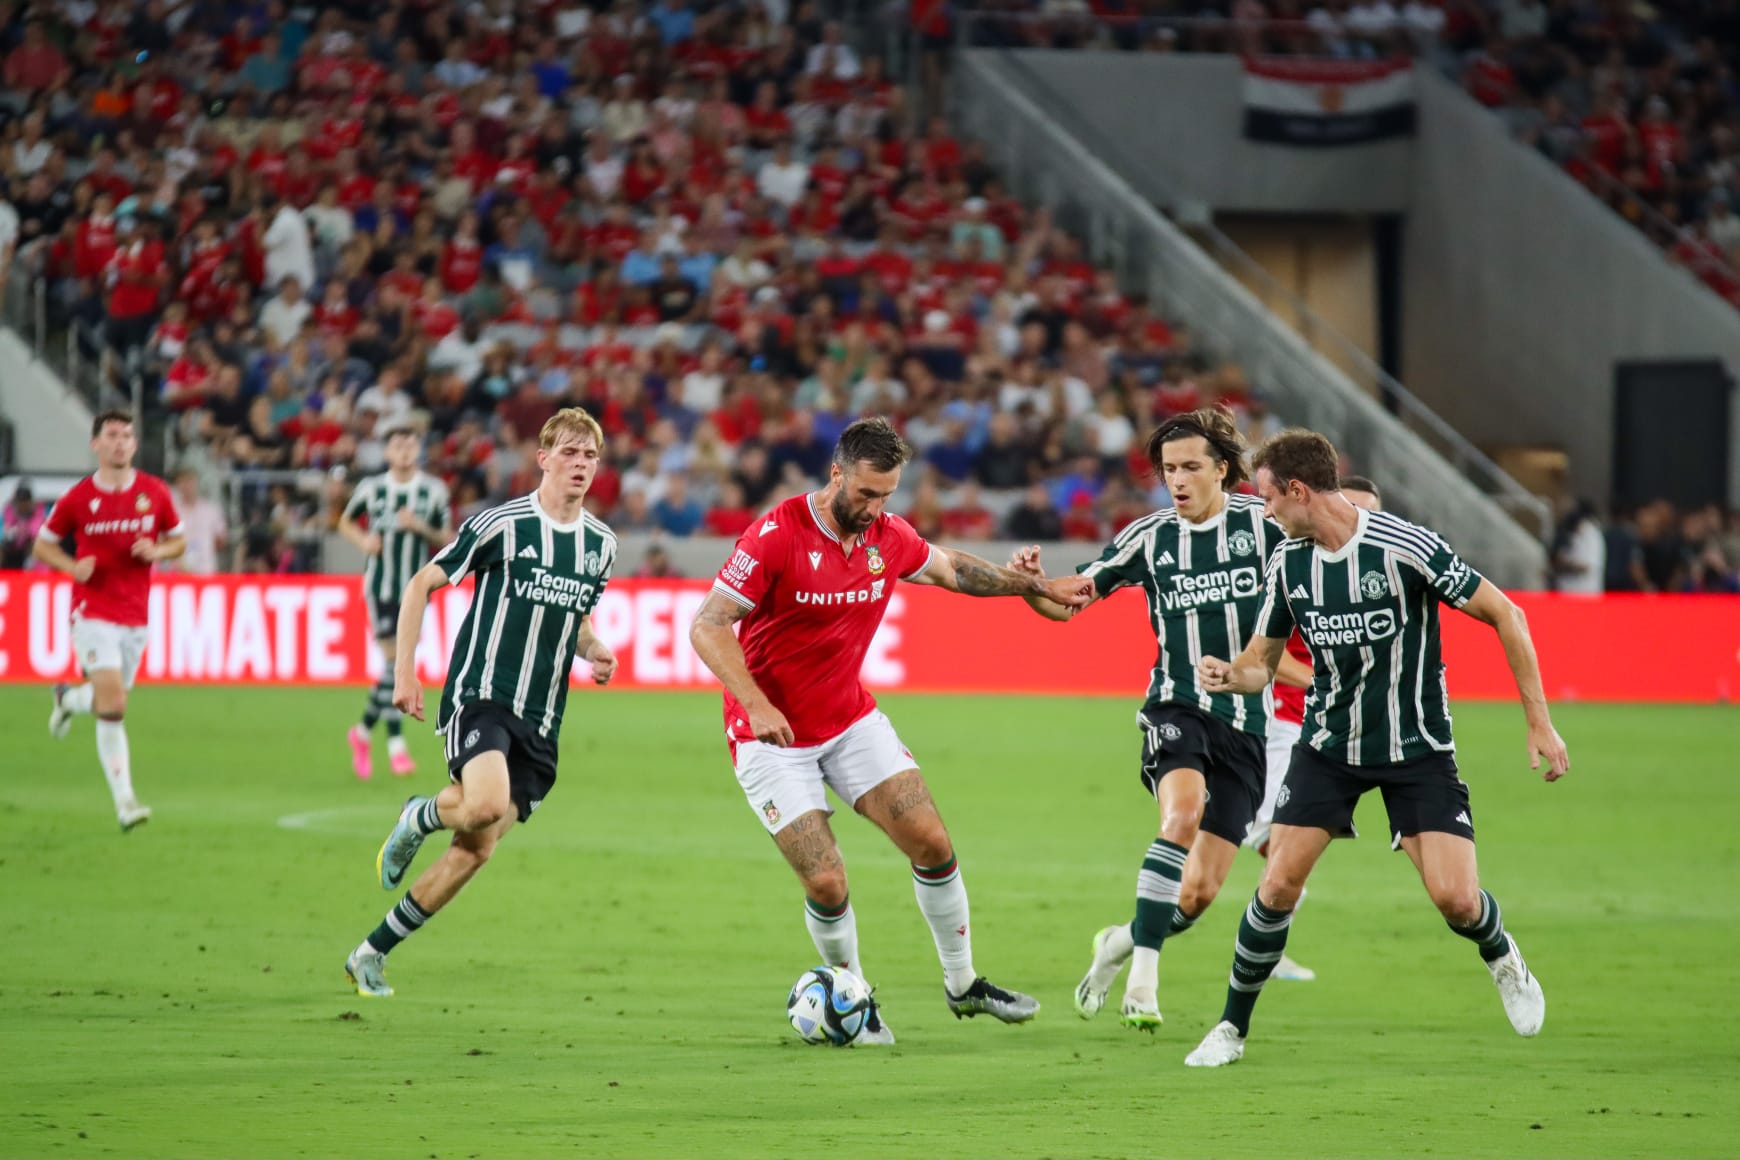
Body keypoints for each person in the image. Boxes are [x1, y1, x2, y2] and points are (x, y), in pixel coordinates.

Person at [687, 417, 1095, 1043]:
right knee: (826, 879)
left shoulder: (887, 535)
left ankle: (964, 986)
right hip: (769, 736)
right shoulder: (775, 535)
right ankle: (855, 997)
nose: (875, 507)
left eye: (887, 495)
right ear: (836, 474)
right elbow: (708, 625)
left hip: (848, 720)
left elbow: (951, 569)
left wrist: (1033, 585)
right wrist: (756, 703)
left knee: (931, 841)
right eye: (865, 493)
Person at [1184, 430, 1570, 1067]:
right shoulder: (1289, 564)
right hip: (1329, 747)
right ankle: (1230, 1029)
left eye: (1269, 498)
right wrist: (1232, 673)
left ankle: (1503, 957)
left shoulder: (1404, 547)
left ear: (1300, 491)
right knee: (1277, 883)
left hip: (1415, 747)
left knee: (1456, 900)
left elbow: (1508, 614)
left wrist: (1540, 723)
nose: (1265, 511)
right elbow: (1262, 664)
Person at [1007, 408, 1306, 1030]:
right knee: (1181, 813)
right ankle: (1144, 978)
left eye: (1191, 466)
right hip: (1176, 704)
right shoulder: (1149, 537)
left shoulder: (1264, 525)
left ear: (1223, 469)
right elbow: (1070, 605)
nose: (1178, 479)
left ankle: (1118, 943)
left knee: (1195, 897)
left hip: (1248, 727)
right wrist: (1035, 586)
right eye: (1169, 469)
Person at [345, 408, 619, 998]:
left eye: (589, 455)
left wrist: (594, 649)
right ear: (542, 458)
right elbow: (422, 583)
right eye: (568, 452)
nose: (580, 464)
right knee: (486, 804)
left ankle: (370, 952)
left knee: (475, 848)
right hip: (482, 696)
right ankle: (418, 815)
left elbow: (575, 620)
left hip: (543, 719)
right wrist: (405, 672)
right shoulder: (501, 524)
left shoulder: (601, 545)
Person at [36, 412, 186, 831]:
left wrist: (158, 552)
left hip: (135, 615)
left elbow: (179, 539)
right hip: (92, 611)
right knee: (115, 705)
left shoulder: (153, 492)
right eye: (112, 435)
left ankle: (67, 699)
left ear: (135, 445)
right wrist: (71, 566)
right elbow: (43, 545)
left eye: (127, 436)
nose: (120, 442)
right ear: (95, 444)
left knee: (109, 700)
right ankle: (125, 803)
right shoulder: (78, 498)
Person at [338, 428, 453, 780]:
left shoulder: (432, 491)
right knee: (394, 665)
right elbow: (344, 521)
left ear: (418, 450)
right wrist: (363, 540)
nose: (404, 451)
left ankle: (361, 733)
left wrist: (419, 526)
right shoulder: (372, 489)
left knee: (394, 668)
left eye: (410, 445)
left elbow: (447, 537)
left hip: (415, 591)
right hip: (381, 588)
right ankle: (396, 747)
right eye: (397, 445)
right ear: (387, 451)